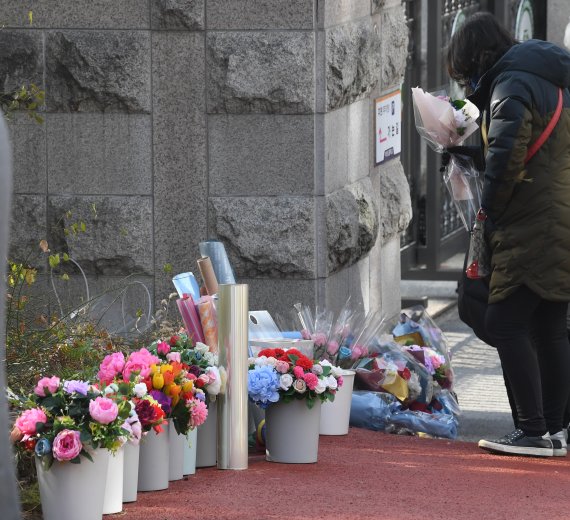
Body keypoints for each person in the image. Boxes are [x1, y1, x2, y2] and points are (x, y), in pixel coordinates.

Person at [447, 12, 570, 457]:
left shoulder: (512, 84)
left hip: (529, 220)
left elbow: (507, 158)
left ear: (474, 56)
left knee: (506, 321)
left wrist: (490, 214)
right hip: (559, 216)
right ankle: (555, 430)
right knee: (551, 324)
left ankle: (533, 429)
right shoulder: (552, 77)